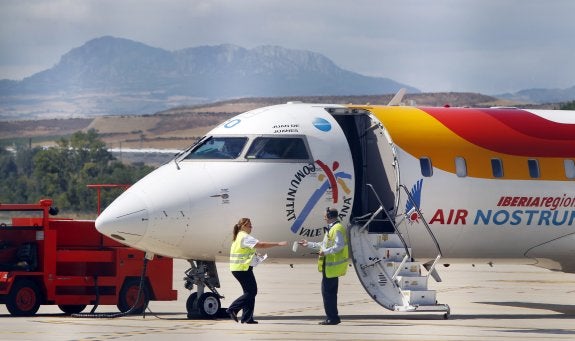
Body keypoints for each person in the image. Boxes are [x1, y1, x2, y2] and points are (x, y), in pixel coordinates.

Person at [226, 217, 287, 324]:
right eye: (249, 225)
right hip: (242, 269)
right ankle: (233, 309)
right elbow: (261, 245)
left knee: (249, 292)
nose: (251, 227)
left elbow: (245, 251)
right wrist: (278, 244)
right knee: (252, 292)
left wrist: (255, 255)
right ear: (243, 226)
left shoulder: (239, 236)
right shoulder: (244, 237)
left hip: (239, 268)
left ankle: (247, 318)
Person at [298, 207, 349, 325]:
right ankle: (333, 317)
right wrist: (308, 244)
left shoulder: (336, 228)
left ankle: (332, 318)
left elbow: (339, 246)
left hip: (331, 268)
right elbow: (323, 245)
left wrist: (325, 252)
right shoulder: (333, 228)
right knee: (329, 294)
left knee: (328, 294)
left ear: (330, 216)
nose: (323, 217)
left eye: (325, 215)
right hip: (329, 268)